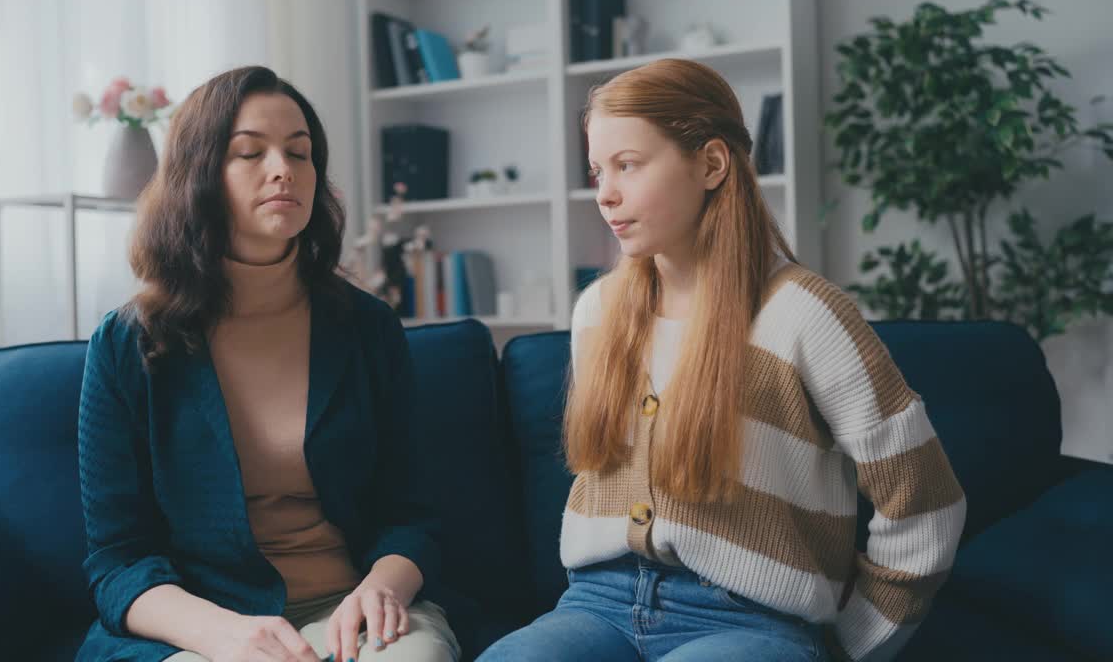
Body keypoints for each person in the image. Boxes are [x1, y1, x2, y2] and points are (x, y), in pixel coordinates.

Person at [478, 59, 966, 662]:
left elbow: (926, 500)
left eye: (628, 165)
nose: (604, 192)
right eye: (597, 170)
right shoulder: (598, 312)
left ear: (711, 164)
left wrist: (856, 642)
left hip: (753, 623)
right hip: (596, 604)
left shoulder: (806, 314)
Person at [76, 65, 459, 662]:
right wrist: (221, 635)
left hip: (349, 607)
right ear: (199, 175)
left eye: (300, 153)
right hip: (200, 621)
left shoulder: (366, 326)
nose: (284, 169)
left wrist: (381, 589)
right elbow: (117, 558)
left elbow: (411, 513)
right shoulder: (127, 342)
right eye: (250, 152)